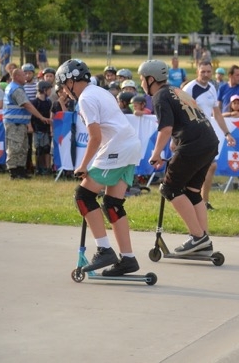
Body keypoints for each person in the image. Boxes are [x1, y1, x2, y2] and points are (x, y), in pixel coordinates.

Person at [55, 59, 142, 276]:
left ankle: (104, 249)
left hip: (118, 148)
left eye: (65, 86)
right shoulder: (99, 91)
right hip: (130, 145)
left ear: (70, 81)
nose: (65, 92)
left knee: (83, 195)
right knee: (112, 204)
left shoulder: (85, 99)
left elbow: (95, 137)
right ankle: (128, 259)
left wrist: (83, 166)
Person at [140, 59, 219, 255]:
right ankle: (203, 240)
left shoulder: (159, 96)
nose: (141, 83)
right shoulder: (176, 90)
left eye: (142, 79)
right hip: (209, 141)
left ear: (151, 79)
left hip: (194, 144)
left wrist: (156, 153)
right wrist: (175, 143)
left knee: (169, 188)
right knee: (192, 191)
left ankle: (197, 237)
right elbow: (183, 121)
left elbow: (166, 129)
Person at [184, 61, 237, 210]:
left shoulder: (212, 88)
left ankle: (203, 202)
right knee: (200, 167)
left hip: (205, 133)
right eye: (203, 72)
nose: (206, 74)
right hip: (192, 134)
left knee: (210, 166)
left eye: (208, 71)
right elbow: (181, 112)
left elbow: (217, 113)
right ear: (197, 72)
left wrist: (227, 133)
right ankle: (192, 201)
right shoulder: (190, 88)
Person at [3, 66, 50, 179]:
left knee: (23, 147)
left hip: (19, 124)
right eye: (23, 75)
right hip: (15, 124)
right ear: (17, 76)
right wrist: (40, 117)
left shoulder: (15, 87)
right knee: (15, 147)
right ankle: (14, 171)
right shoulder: (16, 89)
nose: (26, 77)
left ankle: (20, 170)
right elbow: (27, 105)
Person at [30, 80, 53, 175]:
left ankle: (47, 167)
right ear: (44, 90)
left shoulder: (48, 102)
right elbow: (31, 116)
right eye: (49, 90)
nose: (50, 92)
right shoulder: (35, 102)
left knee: (46, 148)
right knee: (38, 149)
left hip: (46, 129)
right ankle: (38, 168)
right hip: (37, 129)